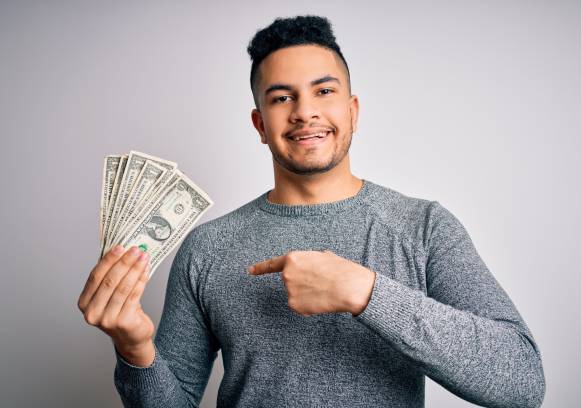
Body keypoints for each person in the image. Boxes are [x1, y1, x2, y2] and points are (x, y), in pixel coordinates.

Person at [78, 15, 546, 408]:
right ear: (261, 124)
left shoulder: (424, 228)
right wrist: (135, 349)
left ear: (353, 110)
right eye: (282, 98)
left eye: (323, 92)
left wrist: (365, 292)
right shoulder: (207, 247)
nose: (304, 112)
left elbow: (521, 381)